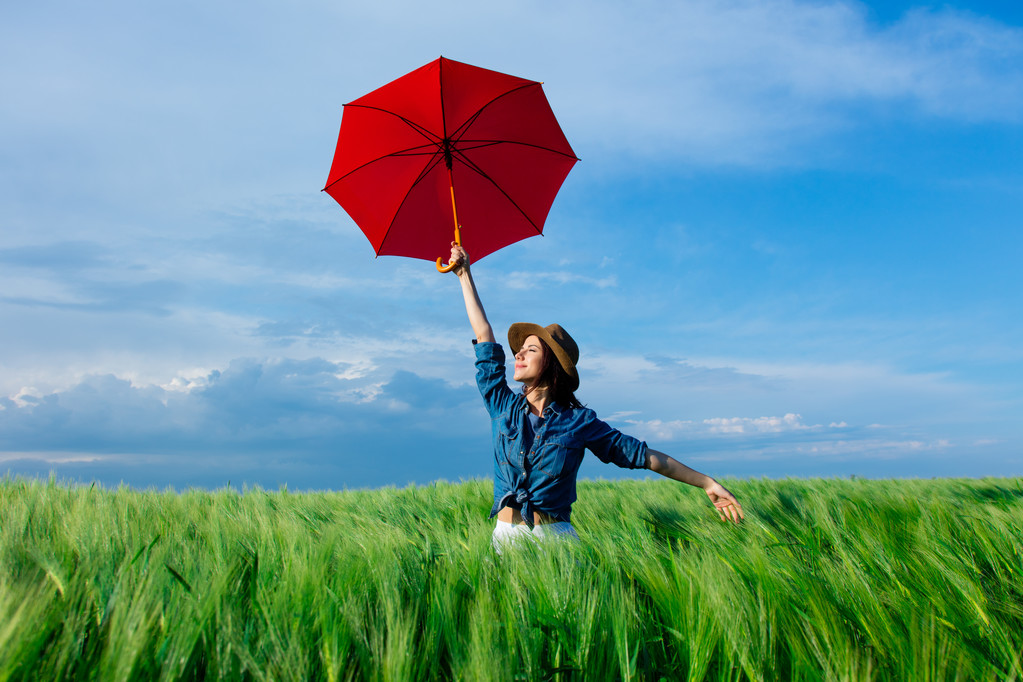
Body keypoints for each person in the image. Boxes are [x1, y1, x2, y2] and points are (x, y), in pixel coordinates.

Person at [447, 244, 744, 552]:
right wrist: (464, 274)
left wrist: (706, 482)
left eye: (530, 349)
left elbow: (644, 456)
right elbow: (484, 336)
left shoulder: (580, 423)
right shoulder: (502, 405)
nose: (518, 353)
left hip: (555, 546)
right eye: (519, 350)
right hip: (504, 540)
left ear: (551, 365)